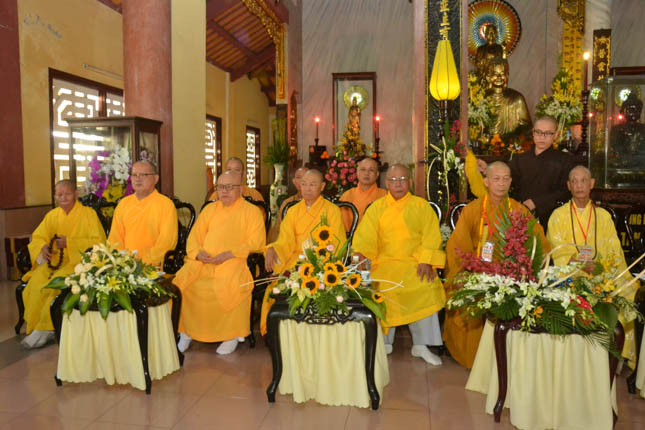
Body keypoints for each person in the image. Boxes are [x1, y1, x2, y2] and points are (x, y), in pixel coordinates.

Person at [443, 161, 547, 368]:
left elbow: (538, 243)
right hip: (477, 271)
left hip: (510, 274)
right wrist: (466, 271)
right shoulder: (473, 210)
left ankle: (510, 356)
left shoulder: (519, 210)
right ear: (486, 182)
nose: (501, 183)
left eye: (505, 179)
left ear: (510, 182)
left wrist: (523, 269)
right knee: (468, 296)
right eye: (496, 179)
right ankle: (475, 358)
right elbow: (457, 246)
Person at [352, 164, 446, 365]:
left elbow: (431, 236)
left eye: (403, 179)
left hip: (414, 263)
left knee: (425, 285)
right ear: (386, 183)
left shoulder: (421, 206)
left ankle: (421, 344)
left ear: (410, 182)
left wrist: (427, 260)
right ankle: (384, 342)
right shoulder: (377, 208)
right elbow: (365, 238)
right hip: (384, 263)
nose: (398, 184)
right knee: (380, 287)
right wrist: (361, 255)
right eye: (393, 180)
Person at [547, 165, 638, 365]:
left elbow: (614, 251)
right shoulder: (558, 215)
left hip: (601, 274)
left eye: (584, 181)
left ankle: (615, 353)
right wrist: (575, 264)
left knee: (628, 290)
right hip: (570, 274)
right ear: (568, 185)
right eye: (574, 181)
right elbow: (557, 252)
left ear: (592, 184)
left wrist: (600, 266)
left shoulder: (603, 216)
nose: (579, 186)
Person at [174, 171, 266, 354]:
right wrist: (198, 254)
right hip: (204, 261)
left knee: (229, 284)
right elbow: (194, 238)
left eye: (229, 187)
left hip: (234, 261)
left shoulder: (251, 211)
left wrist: (230, 254)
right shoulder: (209, 210)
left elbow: (257, 242)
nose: (224, 191)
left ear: (240, 189)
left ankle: (231, 335)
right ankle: (186, 332)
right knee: (184, 282)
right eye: (221, 187)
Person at [21, 180, 106, 348]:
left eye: (67, 194)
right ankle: (36, 325)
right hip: (54, 261)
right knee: (35, 285)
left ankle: (45, 328)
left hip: (78, 262)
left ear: (75, 194)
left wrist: (70, 243)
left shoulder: (88, 214)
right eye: (59, 195)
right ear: (55, 196)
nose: (63, 198)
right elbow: (38, 237)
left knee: (55, 285)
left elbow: (99, 241)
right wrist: (42, 247)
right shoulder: (52, 215)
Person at [260, 169, 345, 335]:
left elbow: (337, 243)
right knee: (276, 287)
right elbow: (285, 241)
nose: (307, 188)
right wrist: (273, 249)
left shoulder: (332, 210)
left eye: (313, 184)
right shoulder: (293, 211)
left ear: (322, 186)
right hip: (294, 261)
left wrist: (318, 262)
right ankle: (284, 333)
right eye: (304, 184)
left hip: (320, 263)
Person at [108, 160, 177, 267]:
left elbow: (166, 243)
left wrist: (143, 263)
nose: (138, 179)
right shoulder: (123, 204)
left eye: (144, 175)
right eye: (134, 175)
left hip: (152, 267)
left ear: (155, 179)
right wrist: (121, 261)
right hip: (124, 266)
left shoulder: (166, 205)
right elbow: (114, 239)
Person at [483, 58, 532, 138]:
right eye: (495, 73)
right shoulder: (481, 98)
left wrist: (513, 136)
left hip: (509, 143)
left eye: (502, 73)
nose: (499, 77)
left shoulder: (517, 99)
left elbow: (527, 127)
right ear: (488, 77)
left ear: (507, 75)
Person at [339, 157, 387, 232]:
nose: (366, 173)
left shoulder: (385, 195)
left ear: (377, 174)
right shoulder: (347, 195)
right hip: (350, 237)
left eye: (371, 170)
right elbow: (340, 224)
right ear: (357, 173)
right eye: (363, 169)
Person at [267, 166, 308, 242]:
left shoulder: (322, 203)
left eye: (306, 177)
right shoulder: (288, 203)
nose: (303, 180)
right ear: (294, 182)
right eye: (299, 177)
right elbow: (277, 230)